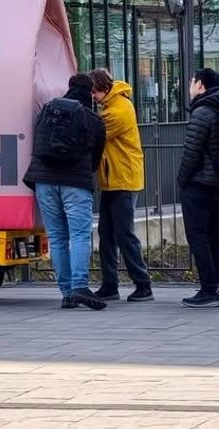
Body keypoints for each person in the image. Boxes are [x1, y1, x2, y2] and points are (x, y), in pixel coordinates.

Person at [24, 73, 107, 310]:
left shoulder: (48, 111)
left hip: (44, 182)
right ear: (90, 92)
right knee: (79, 235)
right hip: (75, 184)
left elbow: (36, 142)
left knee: (58, 237)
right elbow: (96, 157)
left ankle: (67, 293)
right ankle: (80, 285)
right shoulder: (92, 119)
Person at [88, 69, 152, 303]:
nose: (93, 96)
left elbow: (96, 135)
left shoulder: (118, 111)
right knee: (106, 232)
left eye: (93, 92)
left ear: (103, 89)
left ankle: (143, 284)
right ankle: (110, 284)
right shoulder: (112, 106)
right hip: (113, 179)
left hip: (123, 178)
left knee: (124, 234)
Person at [177, 68, 219, 308]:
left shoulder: (202, 112)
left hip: (199, 183)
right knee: (214, 235)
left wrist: (182, 180)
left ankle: (208, 289)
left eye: (192, 81)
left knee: (198, 237)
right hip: (216, 183)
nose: (189, 85)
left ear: (200, 85)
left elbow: (191, 153)